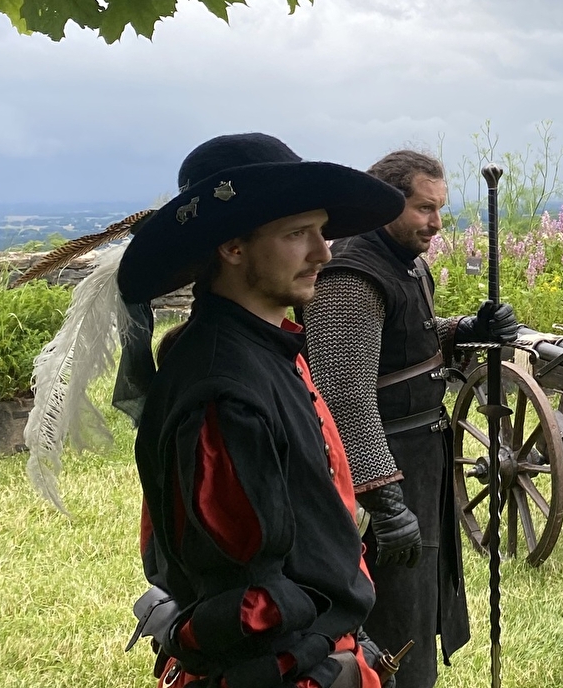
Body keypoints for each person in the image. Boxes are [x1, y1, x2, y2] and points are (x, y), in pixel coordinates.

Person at [118, 133, 406, 687]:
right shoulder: (223, 393)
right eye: (298, 234)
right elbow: (243, 601)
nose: (324, 251)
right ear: (232, 246)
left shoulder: (267, 347)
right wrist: (323, 666)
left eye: (321, 231)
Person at [302, 150, 521, 688]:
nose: (437, 223)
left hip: (420, 459)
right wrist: (382, 497)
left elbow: (400, 344)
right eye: (425, 208)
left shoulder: (405, 263)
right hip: (384, 465)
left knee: (418, 603)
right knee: (390, 612)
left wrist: (464, 329)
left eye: (439, 208)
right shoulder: (351, 272)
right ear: (386, 204)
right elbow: (343, 394)